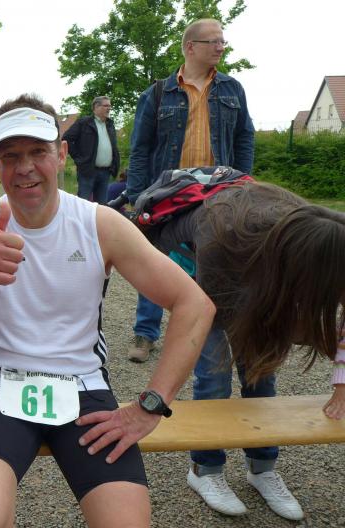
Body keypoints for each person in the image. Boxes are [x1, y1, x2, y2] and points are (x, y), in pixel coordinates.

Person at [0, 94, 215, 528]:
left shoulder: (99, 223)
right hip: (0, 383)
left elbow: (195, 304)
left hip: (82, 387)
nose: (25, 167)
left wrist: (151, 405)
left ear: (60, 155)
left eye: (37, 152)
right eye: (10, 156)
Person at [146, 180, 345, 519]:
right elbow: (207, 318)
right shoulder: (224, 234)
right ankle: (205, 470)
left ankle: (262, 468)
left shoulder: (321, 238)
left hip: (259, 266)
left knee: (261, 375)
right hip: (203, 264)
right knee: (214, 377)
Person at [125, 18, 255, 363]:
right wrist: (137, 197)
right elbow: (140, 149)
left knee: (217, 261)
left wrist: (244, 183)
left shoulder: (233, 90)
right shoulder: (157, 93)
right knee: (156, 259)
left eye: (223, 41)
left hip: (219, 194)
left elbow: (245, 137)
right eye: (214, 41)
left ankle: (213, 331)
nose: (221, 47)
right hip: (168, 195)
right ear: (190, 47)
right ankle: (146, 333)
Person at [63, 96, 120, 204]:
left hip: (105, 172)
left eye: (110, 106)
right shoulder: (84, 123)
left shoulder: (110, 124)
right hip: (88, 171)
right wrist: (79, 159)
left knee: (102, 206)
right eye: (106, 105)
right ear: (96, 107)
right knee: (83, 204)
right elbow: (66, 139)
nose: (109, 108)